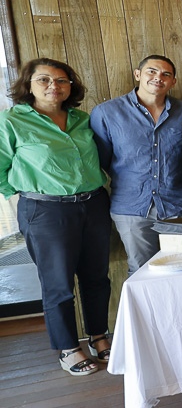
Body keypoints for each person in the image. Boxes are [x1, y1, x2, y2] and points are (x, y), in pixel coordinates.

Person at [0, 59, 112, 376]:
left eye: (62, 80)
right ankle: (68, 348)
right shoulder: (12, 121)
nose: (54, 86)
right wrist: (16, 193)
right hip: (46, 210)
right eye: (45, 80)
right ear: (28, 85)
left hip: (93, 204)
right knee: (58, 283)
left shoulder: (81, 119)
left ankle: (99, 337)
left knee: (96, 278)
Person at [91, 54, 182, 274]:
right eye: (152, 71)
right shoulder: (107, 112)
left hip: (178, 205)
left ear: (173, 82)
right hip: (132, 207)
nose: (158, 77)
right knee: (142, 271)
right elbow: (102, 158)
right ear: (138, 74)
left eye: (166, 74)